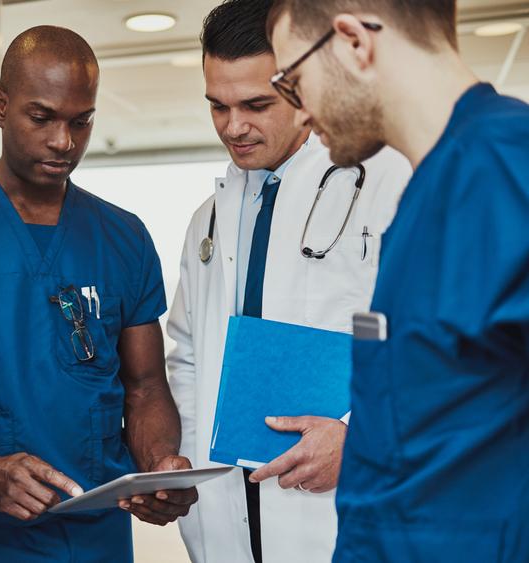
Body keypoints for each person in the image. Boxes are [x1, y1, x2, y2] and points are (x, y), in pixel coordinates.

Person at [0, 25, 196, 563]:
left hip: (97, 533)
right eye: (42, 117)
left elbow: (144, 386)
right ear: (0, 106)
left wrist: (160, 465)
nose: (63, 142)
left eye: (81, 121)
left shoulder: (123, 236)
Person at [266, 1, 529, 560]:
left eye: (293, 82)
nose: (300, 113)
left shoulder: (506, 166)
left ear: (354, 42)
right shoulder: (424, 194)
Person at [166, 1, 412, 562]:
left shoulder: (388, 183)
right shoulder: (209, 217)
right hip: (229, 515)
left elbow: (444, 347)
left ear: (305, 87)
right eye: (217, 105)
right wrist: (183, 466)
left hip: (344, 508)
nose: (234, 126)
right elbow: (187, 357)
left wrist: (360, 436)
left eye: (256, 104)